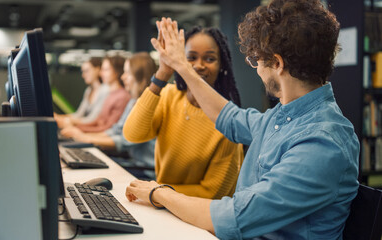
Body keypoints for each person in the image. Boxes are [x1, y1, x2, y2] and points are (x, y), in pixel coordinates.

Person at [125, 1, 360, 239]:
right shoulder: (286, 116)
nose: (257, 69)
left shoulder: (322, 143)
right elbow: (229, 117)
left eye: (256, 60)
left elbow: (233, 217)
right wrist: (181, 67)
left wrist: (160, 193)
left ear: (277, 63)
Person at [123, 25, 244, 199]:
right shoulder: (168, 96)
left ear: (221, 65)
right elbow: (132, 134)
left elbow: (212, 193)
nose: (199, 65)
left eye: (209, 59)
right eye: (191, 58)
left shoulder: (227, 119)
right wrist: (163, 74)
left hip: (198, 215)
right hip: (161, 201)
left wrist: (157, 192)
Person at [65, 52, 157, 172]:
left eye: (128, 73)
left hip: (144, 169)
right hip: (134, 162)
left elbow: (126, 141)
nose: (123, 77)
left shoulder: (148, 105)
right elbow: (116, 130)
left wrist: (86, 137)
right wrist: (84, 136)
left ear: (140, 77)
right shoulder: (132, 101)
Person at [61, 55, 130, 137]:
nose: (101, 73)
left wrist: (79, 130)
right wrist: (77, 128)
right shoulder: (109, 93)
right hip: (98, 137)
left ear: (116, 71)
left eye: (106, 70)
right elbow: (97, 121)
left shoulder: (122, 96)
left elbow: (108, 128)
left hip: (104, 141)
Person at [54, 57, 109, 127]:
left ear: (97, 70)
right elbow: (79, 114)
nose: (83, 75)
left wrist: (65, 120)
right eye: (82, 71)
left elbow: (93, 119)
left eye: (86, 71)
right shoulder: (88, 91)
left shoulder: (105, 90)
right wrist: (59, 117)